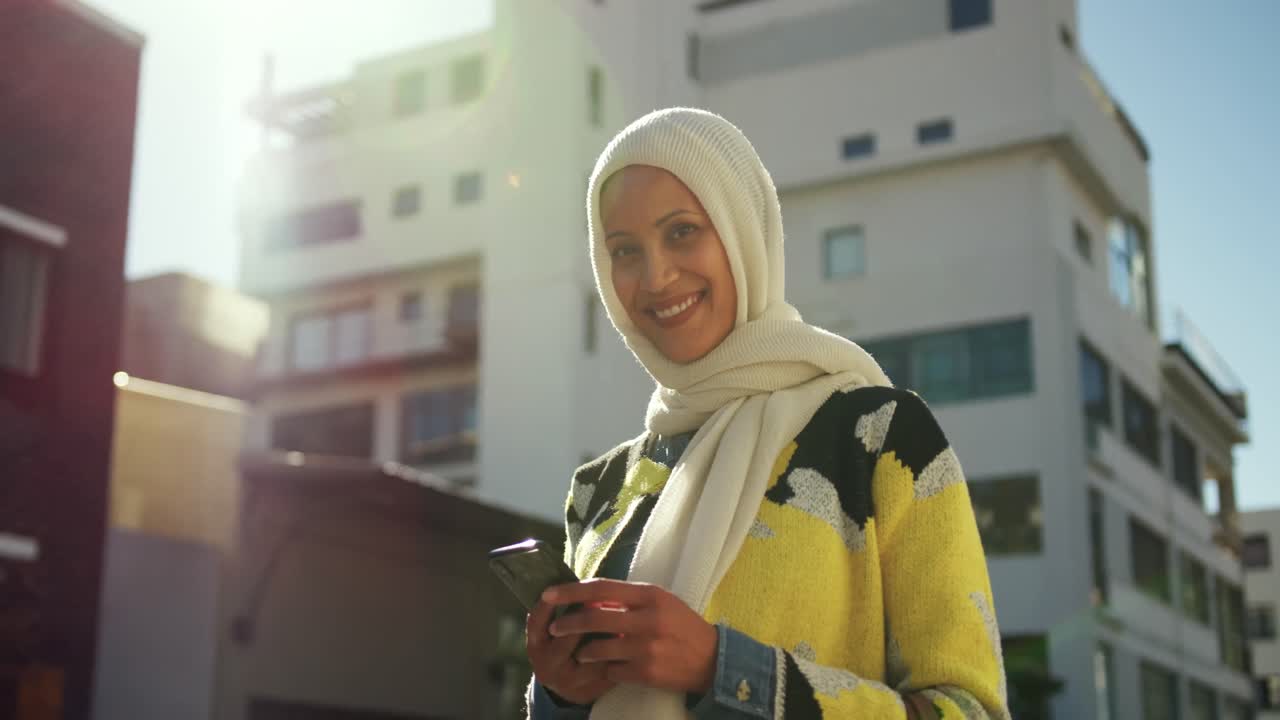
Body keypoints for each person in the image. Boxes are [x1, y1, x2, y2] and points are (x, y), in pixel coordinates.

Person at [524, 107, 1010, 720]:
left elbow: (972, 711)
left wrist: (719, 669)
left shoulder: (879, 437)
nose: (655, 276)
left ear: (743, 230)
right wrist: (559, 694)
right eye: (624, 250)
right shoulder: (601, 489)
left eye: (681, 232)